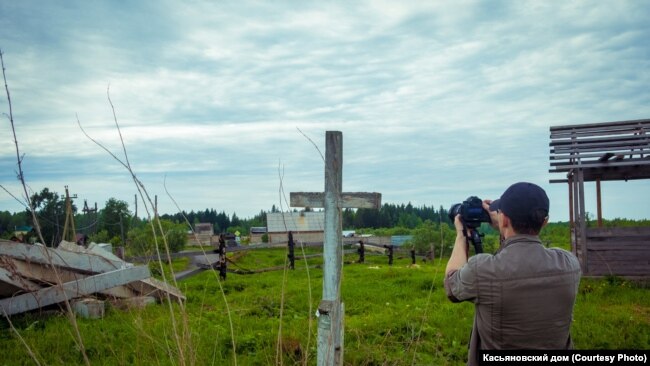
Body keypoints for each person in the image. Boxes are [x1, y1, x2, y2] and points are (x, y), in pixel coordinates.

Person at [444, 182, 581, 365]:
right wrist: (504, 225)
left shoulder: (482, 269)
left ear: (505, 219)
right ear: (545, 221)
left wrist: (461, 237)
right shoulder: (569, 264)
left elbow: (451, 284)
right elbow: (517, 257)